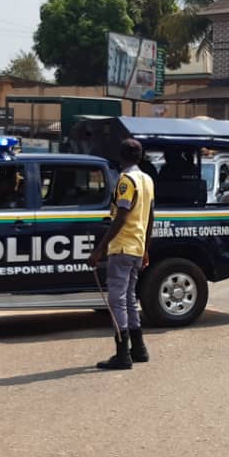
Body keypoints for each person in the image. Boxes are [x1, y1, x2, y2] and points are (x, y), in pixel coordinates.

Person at [87, 138, 156, 370]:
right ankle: (139, 349)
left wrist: (100, 250)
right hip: (136, 246)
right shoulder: (147, 179)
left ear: (121, 157)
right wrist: (146, 248)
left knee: (117, 300)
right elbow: (151, 216)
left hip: (123, 246)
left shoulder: (126, 181)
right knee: (128, 299)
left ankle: (122, 354)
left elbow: (122, 216)